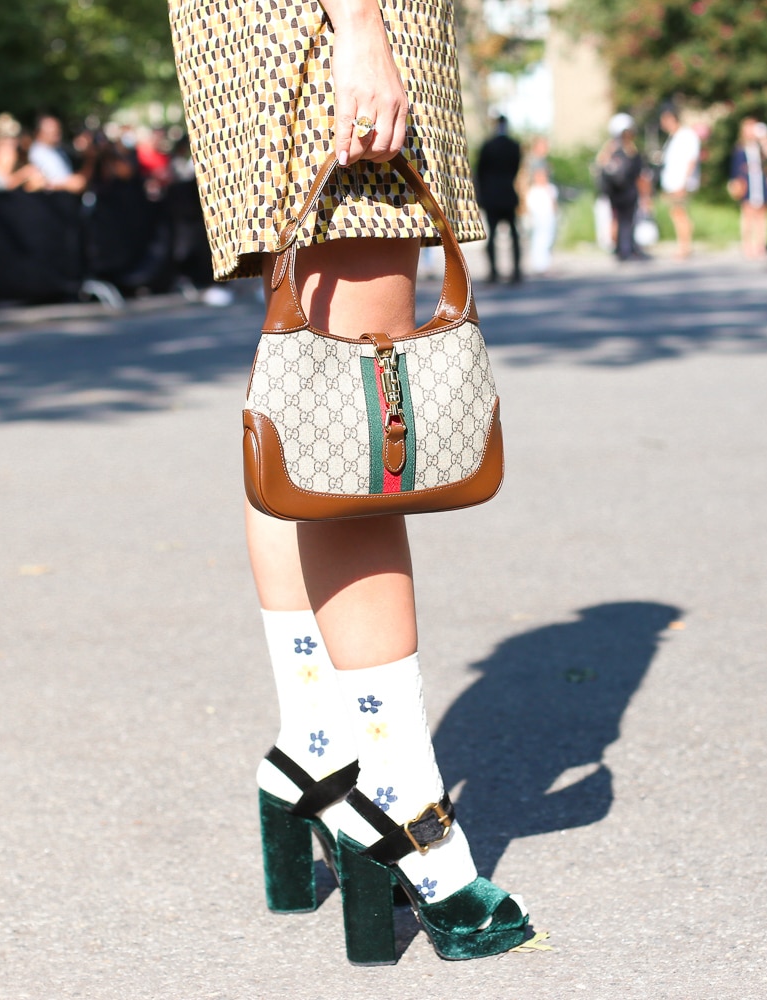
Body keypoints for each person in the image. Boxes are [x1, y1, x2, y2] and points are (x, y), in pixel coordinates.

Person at [167, 0, 528, 966]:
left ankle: (316, 750)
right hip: (340, 34)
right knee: (358, 445)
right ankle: (408, 808)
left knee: (305, 407)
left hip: (265, 33)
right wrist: (362, 25)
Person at [476, 114, 522, 282]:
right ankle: (516, 271)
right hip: (507, 193)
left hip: (492, 196)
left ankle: (494, 272)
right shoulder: (513, 146)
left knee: (494, 234)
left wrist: (481, 195)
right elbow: (515, 168)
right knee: (514, 234)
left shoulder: (488, 146)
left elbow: (480, 172)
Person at [597, 112, 646, 262]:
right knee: (623, 221)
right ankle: (624, 248)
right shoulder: (627, 150)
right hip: (622, 192)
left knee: (622, 220)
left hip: (620, 193)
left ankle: (624, 247)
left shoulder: (615, 149)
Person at [729, 118, 767, 259]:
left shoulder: (761, 148)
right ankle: (747, 244)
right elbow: (735, 170)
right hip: (748, 185)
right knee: (748, 215)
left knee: (762, 216)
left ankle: (760, 244)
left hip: (761, 184)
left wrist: (765, 138)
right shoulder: (740, 149)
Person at [659, 106, 700, 258]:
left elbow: (691, 160)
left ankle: (685, 247)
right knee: (676, 214)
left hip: (680, 183)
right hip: (672, 183)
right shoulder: (673, 137)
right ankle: (683, 245)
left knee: (680, 215)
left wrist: (684, 182)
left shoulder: (686, 135)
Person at [28, 114, 88, 193]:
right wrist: (68, 184)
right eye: (53, 130)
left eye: (58, 128)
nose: (57, 132)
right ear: (40, 132)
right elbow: (38, 183)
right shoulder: (37, 153)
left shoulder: (57, 149)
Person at [524, 164, 558, 275]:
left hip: (549, 218)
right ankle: (539, 265)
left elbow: (553, 204)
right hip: (538, 218)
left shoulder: (551, 188)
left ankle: (545, 263)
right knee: (539, 240)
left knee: (548, 240)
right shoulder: (533, 190)